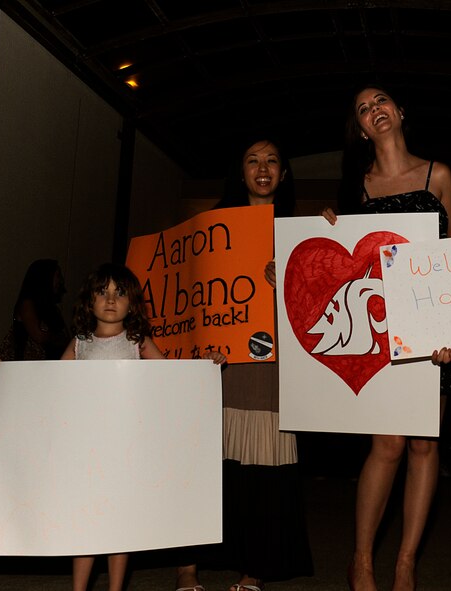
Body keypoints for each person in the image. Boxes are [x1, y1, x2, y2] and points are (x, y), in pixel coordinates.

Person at [0, 263, 227, 591]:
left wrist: (206, 367)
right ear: (89, 301)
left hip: (125, 449)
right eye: (102, 292)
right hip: (86, 450)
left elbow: (173, 380)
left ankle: (116, 588)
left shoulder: (137, 341)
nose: (110, 299)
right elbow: (48, 383)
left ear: (133, 304)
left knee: (119, 521)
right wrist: (6, 372)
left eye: (120, 292)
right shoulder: (80, 343)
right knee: (85, 521)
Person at [322, 83, 451, 591]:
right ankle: (361, 559)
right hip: (380, 331)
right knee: (386, 445)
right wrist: (328, 231)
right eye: (362, 108)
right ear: (360, 128)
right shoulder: (356, 188)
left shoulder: (439, 174)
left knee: (425, 446)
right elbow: (350, 264)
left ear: (400, 110)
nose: (373, 110)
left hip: (434, 332)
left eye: (380, 101)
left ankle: (405, 562)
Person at [175, 139, 314, 591]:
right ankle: (187, 569)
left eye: (273, 159)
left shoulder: (301, 234)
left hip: (271, 372)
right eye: (253, 159)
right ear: (240, 172)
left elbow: (317, 307)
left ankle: (253, 568)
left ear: (284, 174)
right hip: (219, 369)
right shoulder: (210, 229)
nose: (263, 167)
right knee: (204, 470)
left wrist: (294, 273)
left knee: (262, 476)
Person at [0, 258, 68, 368]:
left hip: (44, 367)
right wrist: (55, 337)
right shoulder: (27, 303)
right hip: (23, 366)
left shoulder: (53, 309)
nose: (60, 280)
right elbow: (38, 335)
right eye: (57, 275)